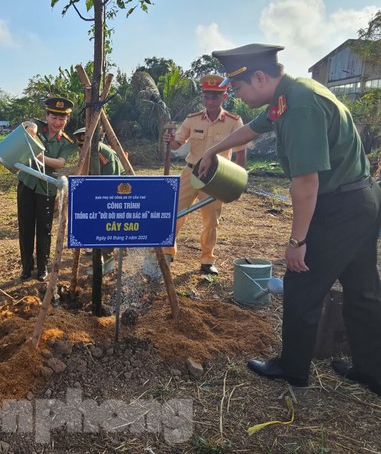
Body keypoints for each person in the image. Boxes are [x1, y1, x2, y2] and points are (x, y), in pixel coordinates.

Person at [197, 43, 381, 396]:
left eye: (238, 89)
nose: (236, 96)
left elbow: (306, 183)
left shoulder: (298, 107)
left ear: (260, 77)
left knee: (301, 283)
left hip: (340, 206)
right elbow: (252, 128)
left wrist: (296, 242)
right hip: (362, 199)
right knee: (363, 291)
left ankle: (293, 368)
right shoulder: (288, 97)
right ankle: (373, 370)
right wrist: (212, 150)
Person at [163, 74, 247, 275]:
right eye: (207, 97)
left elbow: (241, 154)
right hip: (190, 173)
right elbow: (177, 144)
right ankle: (167, 252)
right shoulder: (192, 120)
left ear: (224, 97)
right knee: (175, 213)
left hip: (216, 178)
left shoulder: (234, 122)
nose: (210, 101)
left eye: (215, 97)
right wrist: (170, 140)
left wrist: (238, 181)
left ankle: (207, 260)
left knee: (211, 220)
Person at [17, 97, 77, 281]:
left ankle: (42, 268)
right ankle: (27, 267)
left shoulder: (66, 143)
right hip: (27, 183)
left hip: (47, 188)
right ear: (47, 116)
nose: (57, 123)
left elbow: (59, 163)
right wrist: (31, 128)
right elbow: (26, 125)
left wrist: (37, 155)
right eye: (54, 118)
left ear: (66, 120)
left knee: (44, 228)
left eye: (62, 119)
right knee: (26, 226)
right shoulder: (37, 127)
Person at [73, 127, 125, 275]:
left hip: (117, 190)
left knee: (107, 221)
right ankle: (96, 248)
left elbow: (112, 180)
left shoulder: (103, 153)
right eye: (80, 145)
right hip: (96, 189)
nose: (82, 148)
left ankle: (107, 258)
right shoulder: (84, 151)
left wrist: (100, 198)